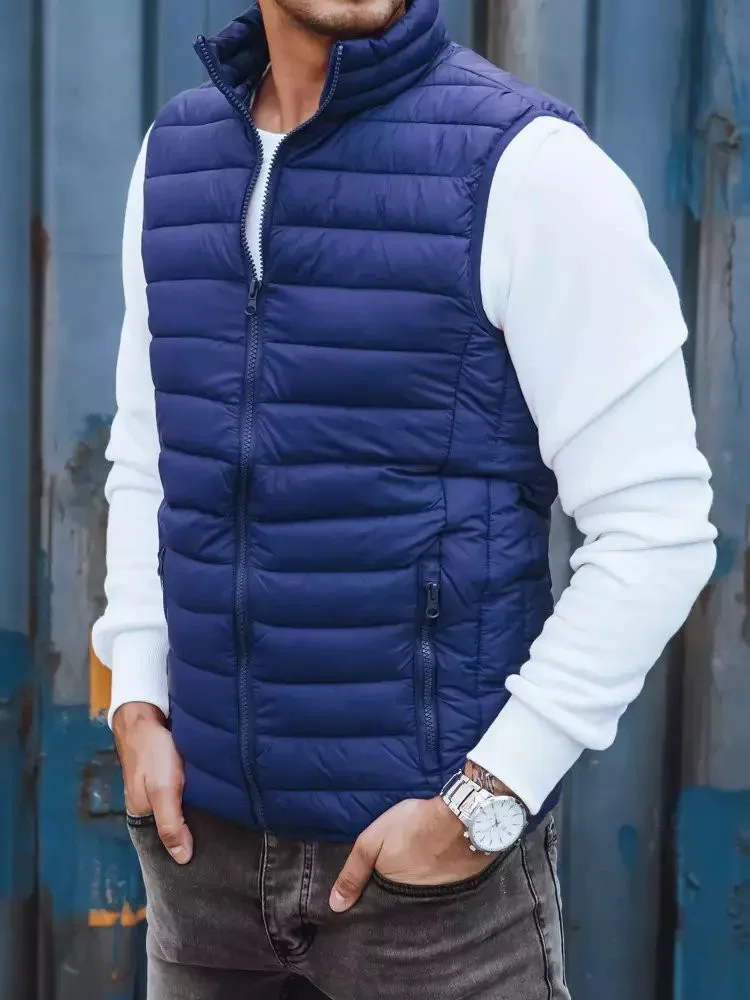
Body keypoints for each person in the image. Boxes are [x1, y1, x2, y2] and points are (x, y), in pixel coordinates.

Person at [93, 1, 716, 997]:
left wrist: (485, 803)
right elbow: (149, 453)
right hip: (200, 868)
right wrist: (135, 699)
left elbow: (659, 528)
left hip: (431, 902)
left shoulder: (530, 169)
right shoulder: (175, 159)